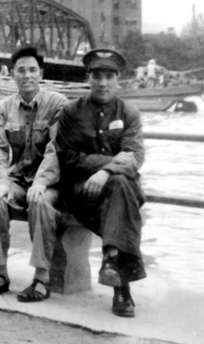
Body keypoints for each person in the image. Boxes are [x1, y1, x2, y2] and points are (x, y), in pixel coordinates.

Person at [53, 48, 146, 318]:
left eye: (109, 76)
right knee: (122, 193)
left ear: (118, 80)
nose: (102, 83)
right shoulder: (72, 111)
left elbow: (135, 156)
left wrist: (105, 172)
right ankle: (121, 288)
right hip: (82, 193)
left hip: (116, 190)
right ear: (88, 78)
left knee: (119, 187)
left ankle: (113, 260)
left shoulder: (129, 113)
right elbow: (67, 157)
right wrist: (110, 164)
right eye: (97, 76)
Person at [0, 46, 66, 302]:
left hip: (50, 182)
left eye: (32, 70)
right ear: (12, 74)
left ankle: (41, 279)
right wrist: (1, 182)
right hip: (18, 179)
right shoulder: (3, 107)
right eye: (21, 70)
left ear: (41, 74)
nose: (27, 76)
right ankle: (1, 274)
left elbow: (56, 148)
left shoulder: (58, 104)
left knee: (39, 201)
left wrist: (41, 181)